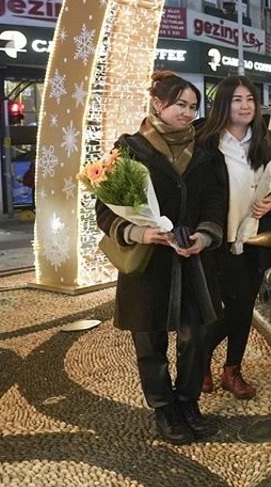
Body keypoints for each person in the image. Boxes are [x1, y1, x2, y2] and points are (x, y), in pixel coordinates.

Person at [94, 71, 225, 445]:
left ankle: (187, 402)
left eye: (193, 107)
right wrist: (139, 232)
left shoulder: (203, 149)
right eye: (180, 105)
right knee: (149, 341)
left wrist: (206, 233)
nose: (187, 113)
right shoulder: (131, 148)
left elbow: (215, 199)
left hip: (192, 259)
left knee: (196, 335)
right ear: (158, 104)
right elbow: (104, 208)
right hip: (150, 264)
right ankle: (164, 408)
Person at [196, 75, 271, 400]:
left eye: (250, 100)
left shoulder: (266, 140)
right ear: (223, 104)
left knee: (243, 309)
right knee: (220, 311)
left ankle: (232, 369)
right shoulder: (206, 140)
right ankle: (201, 360)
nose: (245, 106)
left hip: (253, 242)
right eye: (237, 100)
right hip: (217, 240)